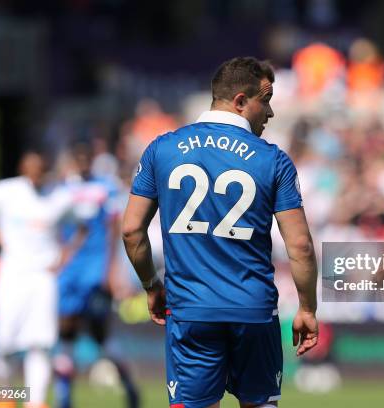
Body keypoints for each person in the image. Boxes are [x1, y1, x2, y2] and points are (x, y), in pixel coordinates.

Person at [122, 56, 319, 408]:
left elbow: (132, 231)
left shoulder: (162, 149)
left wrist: (152, 286)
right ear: (241, 101)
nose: (270, 113)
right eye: (266, 101)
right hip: (253, 310)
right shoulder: (273, 159)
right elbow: (300, 246)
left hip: (190, 310)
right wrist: (307, 307)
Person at [0, 152, 79, 408]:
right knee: (3, 342)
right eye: (32, 170)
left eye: (41, 170)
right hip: (13, 275)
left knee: (40, 343)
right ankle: (5, 395)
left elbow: (83, 224)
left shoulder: (59, 196)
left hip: (43, 278)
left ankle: (35, 401)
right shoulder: (7, 191)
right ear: (23, 170)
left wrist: (64, 256)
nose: (36, 175)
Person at [54, 143, 139, 408]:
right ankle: (64, 396)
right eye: (77, 158)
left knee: (100, 334)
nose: (81, 163)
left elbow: (114, 229)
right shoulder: (62, 190)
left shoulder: (105, 188)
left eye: (85, 158)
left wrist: (112, 270)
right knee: (65, 329)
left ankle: (129, 387)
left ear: (91, 161)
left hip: (94, 269)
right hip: (69, 273)